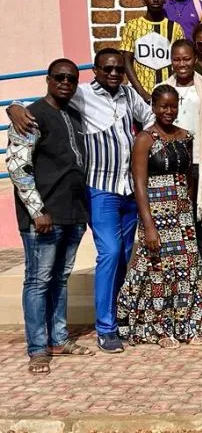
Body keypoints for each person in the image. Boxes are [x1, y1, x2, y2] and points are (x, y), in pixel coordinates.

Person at [7, 50, 155, 354]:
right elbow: (30, 127)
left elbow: (152, 118)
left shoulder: (126, 95)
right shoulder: (81, 95)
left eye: (117, 69)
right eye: (106, 69)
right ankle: (103, 328)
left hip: (123, 191)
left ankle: (108, 320)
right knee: (108, 254)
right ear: (96, 71)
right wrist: (14, 107)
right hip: (99, 190)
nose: (113, 74)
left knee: (120, 257)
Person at [7, 59, 92, 374]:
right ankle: (38, 348)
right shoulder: (31, 116)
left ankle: (59, 339)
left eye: (72, 78)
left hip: (72, 213)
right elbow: (17, 167)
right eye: (60, 77)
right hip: (44, 216)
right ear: (47, 79)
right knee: (38, 280)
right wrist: (37, 210)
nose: (66, 82)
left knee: (60, 278)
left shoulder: (72, 114)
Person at [117, 85, 202, 348]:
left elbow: (189, 177)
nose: (168, 111)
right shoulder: (145, 139)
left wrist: (190, 211)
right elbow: (139, 184)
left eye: (173, 106)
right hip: (156, 214)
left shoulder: (186, 136)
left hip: (182, 214)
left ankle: (190, 325)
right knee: (158, 271)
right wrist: (148, 225)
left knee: (188, 267)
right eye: (163, 106)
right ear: (153, 107)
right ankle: (159, 329)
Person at [163, 40, 202, 235]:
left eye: (187, 59)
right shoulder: (162, 88)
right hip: (170, 162)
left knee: (199, 222)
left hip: (198, 162)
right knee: (176, 217)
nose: (182, 64)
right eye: (177, 59)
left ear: (195, 59)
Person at [120, 0, 185, 102]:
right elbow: (126, 60)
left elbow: (181, 60)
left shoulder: (175, 27)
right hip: (140, 95)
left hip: (169, 92)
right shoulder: (132, 26)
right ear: (143, 0)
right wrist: (142, 92)